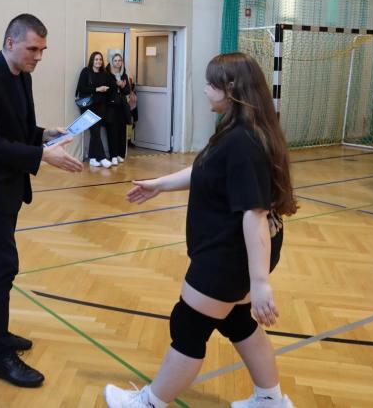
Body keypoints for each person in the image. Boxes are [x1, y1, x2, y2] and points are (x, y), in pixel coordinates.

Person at [104, 52, 297, 408]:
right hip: (235, 251)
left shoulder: (244, 141)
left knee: (188, 326)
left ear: (231, 88)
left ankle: (150, 403)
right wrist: (159, 184)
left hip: (230, 256)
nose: (206, 90)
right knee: (236, 321)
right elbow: (206, 171)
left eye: (211, 84)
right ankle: (270, 400)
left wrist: (259, 283)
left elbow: (254, 213)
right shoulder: (237, 128)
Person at [0, 14, 83, 388]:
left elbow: (19, 129)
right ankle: (0, 357)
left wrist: (45, 134)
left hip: (5, 186)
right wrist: (43, 156)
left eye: (42, 50)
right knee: (3, 264)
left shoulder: (22, 76)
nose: (38, 57)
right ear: (10, 43)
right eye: (32, 49)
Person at [77, 52, 113, 168]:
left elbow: (109, 89)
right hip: (88, 107)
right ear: (92, 60)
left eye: (100, 59)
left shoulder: (104, 74)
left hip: (100, 107)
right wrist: (97, 89)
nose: (98, 61)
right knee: (95, 132)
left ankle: (92, 158)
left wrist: (106, 89)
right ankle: (102, 157)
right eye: (96, 59)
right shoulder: (86, 71)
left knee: (95, 133)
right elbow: (81, 88)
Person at [105, 53, 132, 165]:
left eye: (119, 60)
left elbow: (127, 91)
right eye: (115, 60)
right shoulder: (107, 75)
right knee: (112, 132)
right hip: (111, 107)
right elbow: (107, 91)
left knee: (122, 131)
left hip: (122, 107)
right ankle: (113, 156)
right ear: (112, 62)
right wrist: (116, 85)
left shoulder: (124, 75)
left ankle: (120, 154)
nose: (117, 62)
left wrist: (122, 86)